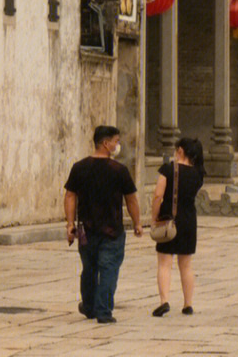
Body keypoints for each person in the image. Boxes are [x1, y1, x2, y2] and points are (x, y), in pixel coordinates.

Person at [64, 124, 143, 324]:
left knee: (89, 268)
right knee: (108, 269)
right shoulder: (119, 170)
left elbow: (70, 195)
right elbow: (131, 199)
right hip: (112, 229)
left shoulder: (79, 167)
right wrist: (137, 223)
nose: (119, 145)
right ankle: (104, 311)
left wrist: (69, 223)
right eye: (116, 141)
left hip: (85, 229)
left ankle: (89, 306)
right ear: (106, 144)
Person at [150, 135, 205, 316]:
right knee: (186, 265)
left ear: (180, 150)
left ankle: (164, 300)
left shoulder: (168, 169)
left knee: (165, 262)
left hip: (169, 219)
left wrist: (154, 217)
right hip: (189, 220)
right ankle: (188, 304)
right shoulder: (198, 174)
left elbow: (158, 195)